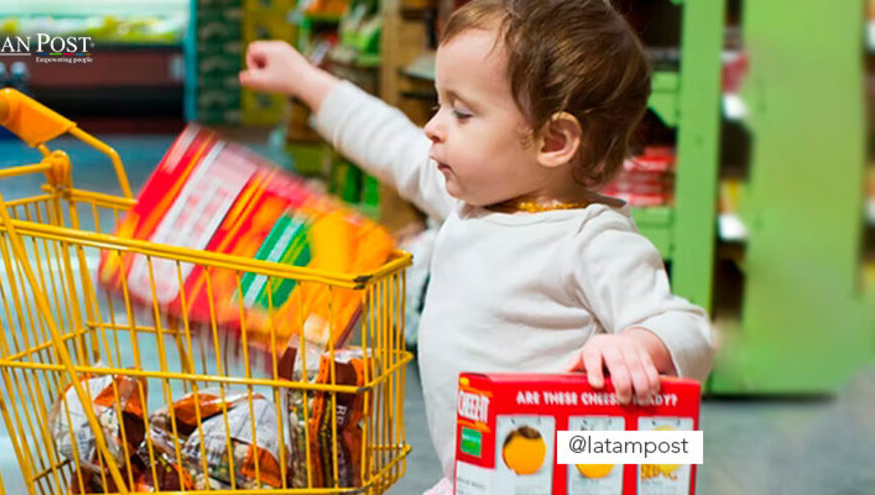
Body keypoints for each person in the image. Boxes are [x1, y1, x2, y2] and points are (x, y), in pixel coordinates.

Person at [237, 0, 715, 492]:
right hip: (475, 474)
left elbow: (689, 329)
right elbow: (391, 142)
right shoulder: (471, 202)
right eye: (438, 104)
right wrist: (304, 80)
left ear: (553, 140)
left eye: (462, 112)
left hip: (555, 477)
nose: (433, 127)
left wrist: (640, 344)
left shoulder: (590, 239)